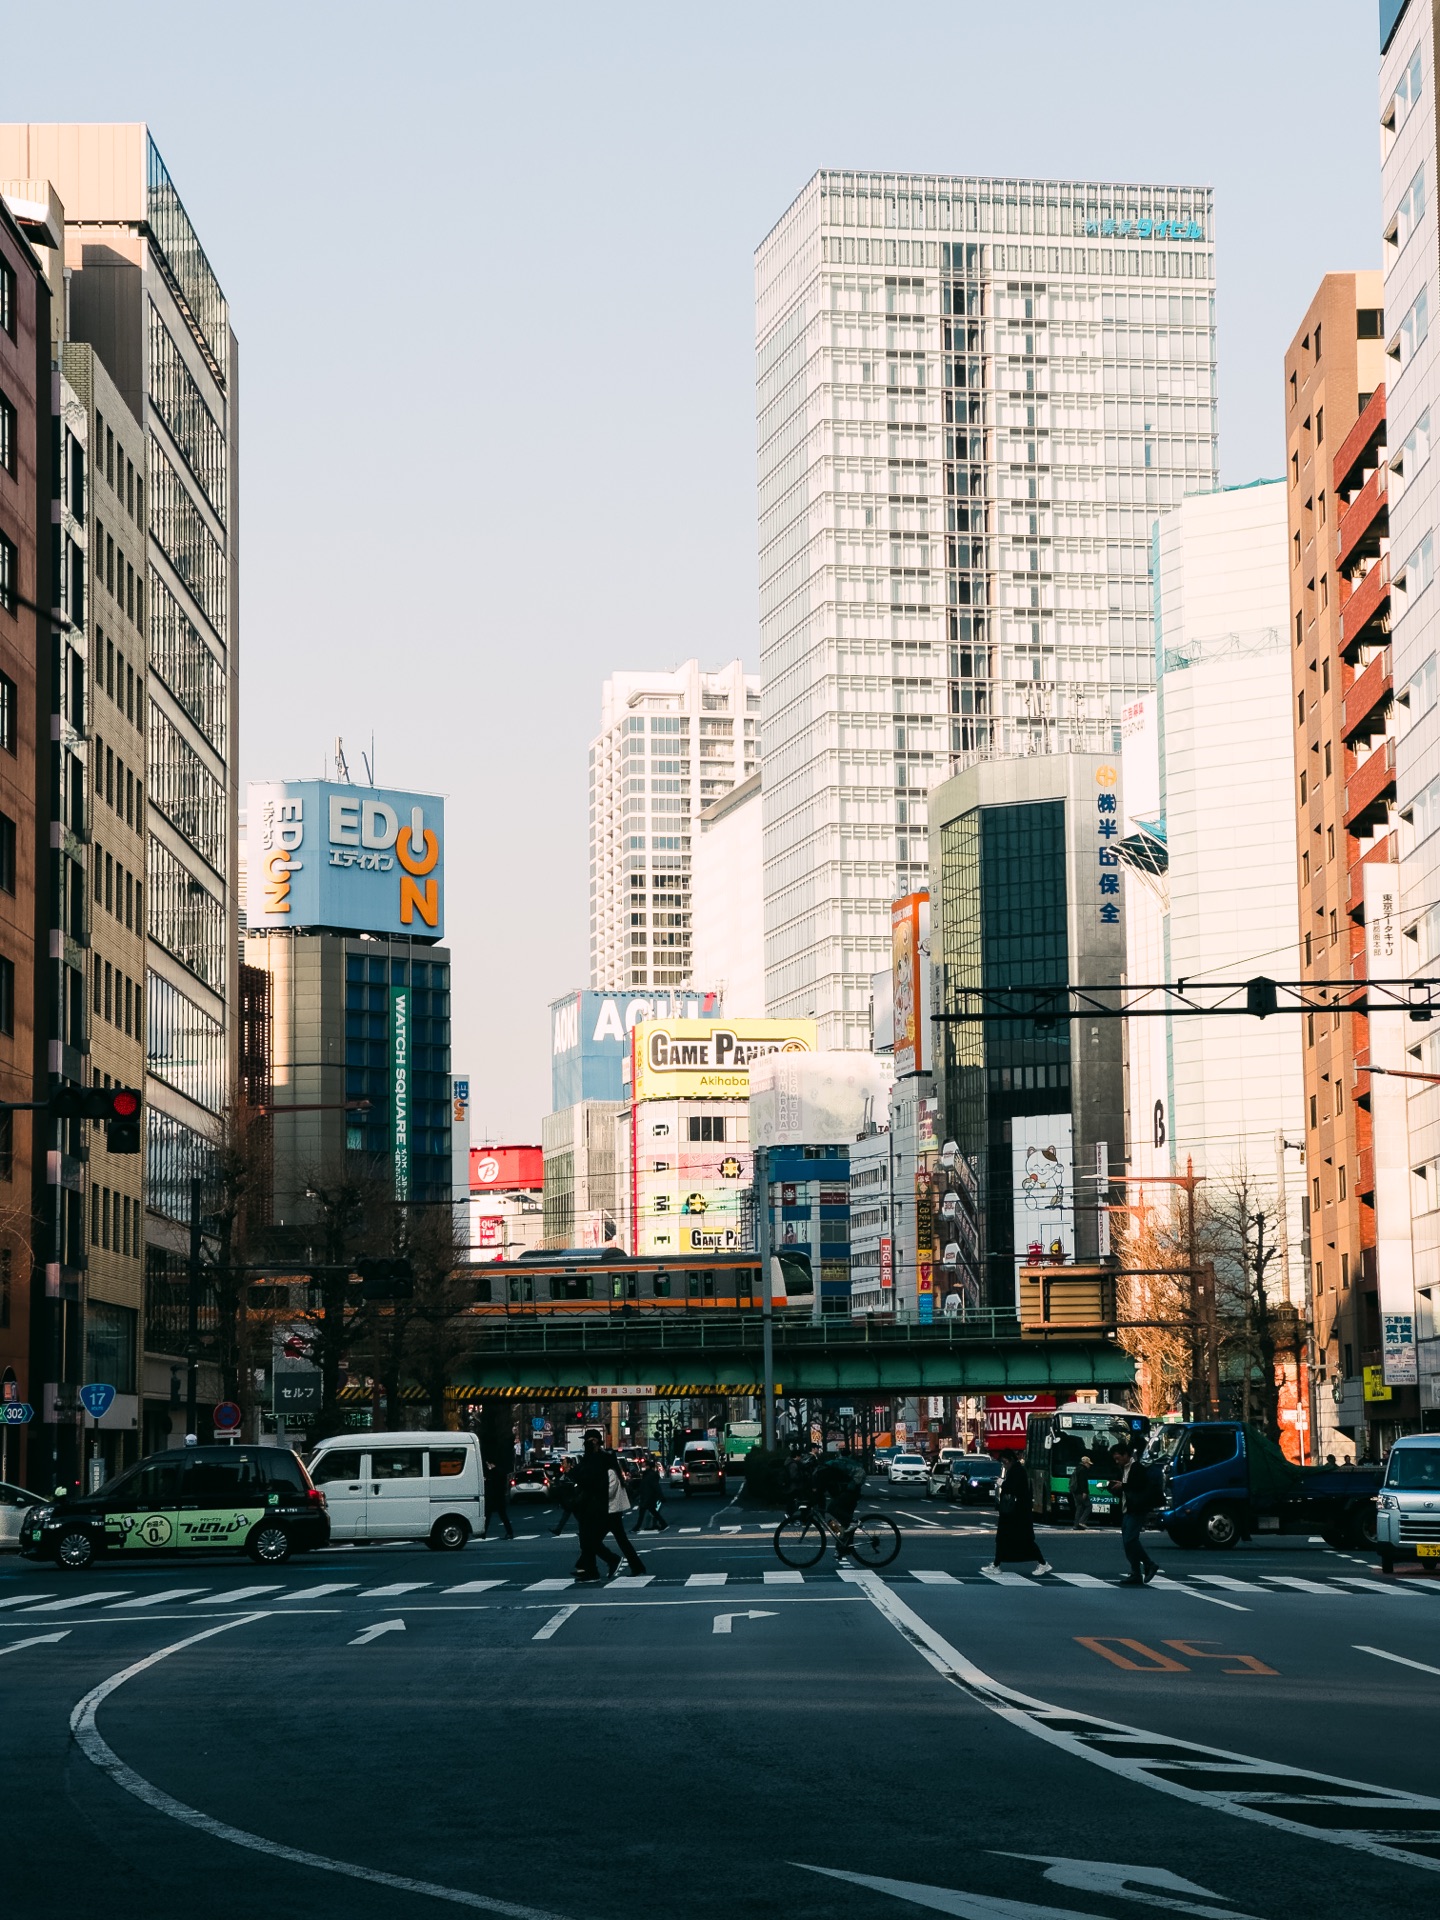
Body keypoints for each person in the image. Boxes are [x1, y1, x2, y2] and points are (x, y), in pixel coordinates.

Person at [993, 1455, 1052, 1576]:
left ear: (1010, 1461)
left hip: (1016, 1514)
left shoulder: (1017, 1471)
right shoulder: (1017, 1470)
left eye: (1005, 1463)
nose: (1004, 1465)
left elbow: (1013, 1488)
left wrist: (1001, 1482)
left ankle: (1043, 1563)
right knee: (1006, 1540)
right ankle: (996, 1565)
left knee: (1018, 1540)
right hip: (1015, 1513)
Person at [1111, 1444, 1159, 1586]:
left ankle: (1149, 1564)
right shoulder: (1123, 1469)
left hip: (1137, 1509)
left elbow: (1138, 1485)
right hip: (1127, 1509)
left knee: (1130, 1540)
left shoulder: (1137, 1468)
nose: (1116, 1461)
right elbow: (1126, 1487)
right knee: (1128, 1543)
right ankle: (1136, 1573)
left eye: (1118, 1458)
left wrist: (1123, 1485)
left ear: (1126, 1455)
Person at [815, 1447, 866, 1556]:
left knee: (831, 1509)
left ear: (839, 1454)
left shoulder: (837, 1462)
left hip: (848, 1491)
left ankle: (853, 1522)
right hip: (854, 1492)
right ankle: (843, 1548)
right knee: (846, 1525)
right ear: (850, 1455)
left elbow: (825, 1468)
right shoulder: (854, 1463)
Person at [481, 1450, 514, 1541]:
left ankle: (483, 1533)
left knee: (488, 1516)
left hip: (494, 1497)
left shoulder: (494, 1472)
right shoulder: (500, 1471)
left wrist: (489, 1475)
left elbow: (490, 1482)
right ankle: (509, 1532)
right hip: (499, 1497)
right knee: (501, 1516)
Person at [632, 1458, 668, 1532]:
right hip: (646, 1497)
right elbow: (642, 1487)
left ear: (648, 1466)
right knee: (651, 1512)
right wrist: (635, 1495)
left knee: (644, 1512)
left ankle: (637, 1527)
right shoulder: (647, 1475)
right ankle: (663, 1524)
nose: (643, 1467)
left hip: (649, 1497)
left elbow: (656, 1487)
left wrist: (661, 1496)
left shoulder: (650, 1475)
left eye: (644, 1466)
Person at [1070, 1454, 1093, 1530]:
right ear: (1085, 1463)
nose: (1089, 1465)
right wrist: (1085, 1492)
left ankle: (1076, 1525)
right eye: (1089, 1464)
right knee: (1089, 1506)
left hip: (1075, 1491)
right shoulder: (1083, 1470)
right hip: (1081, 1492)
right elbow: (1083, 1482)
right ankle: (1082, 1521)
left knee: (1079, 1507)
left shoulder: (1077, 1469)